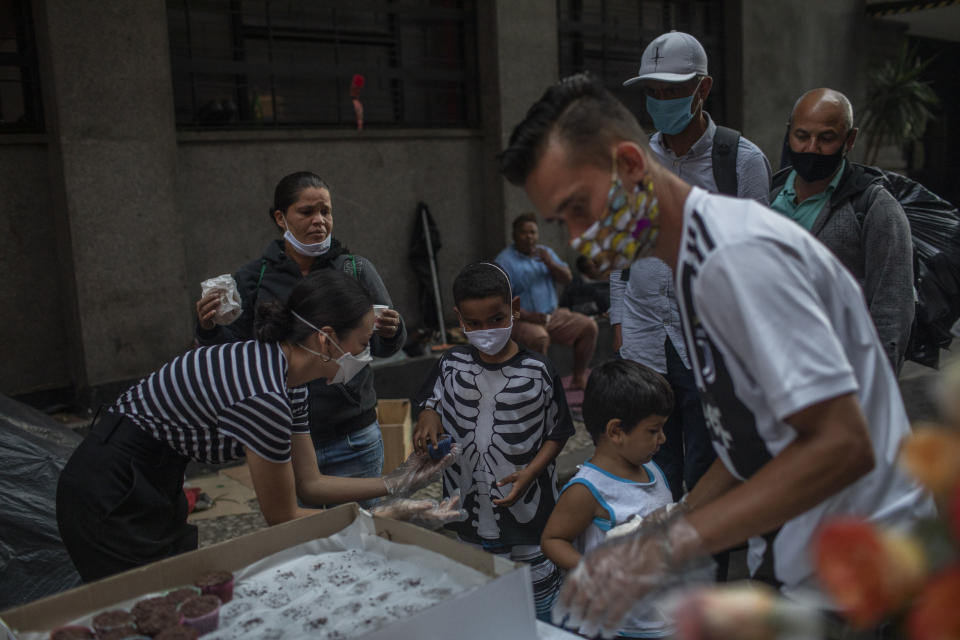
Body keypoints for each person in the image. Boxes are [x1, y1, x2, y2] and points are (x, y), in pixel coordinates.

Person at [499, 73, 933, 638]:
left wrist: (674, 547)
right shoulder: (698, 266)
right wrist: (676, 518)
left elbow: (843, 443)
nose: (579, 238)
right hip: (809, 567)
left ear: (632, 165)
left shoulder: (738, 260)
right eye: (563, 220)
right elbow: (757, 432)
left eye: (579, 207)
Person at [57, 270, 456, 582]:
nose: (365, 354)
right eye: (362, 342)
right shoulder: (264, 394)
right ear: (326, 339)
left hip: (154, 477)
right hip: (109, 489)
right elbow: (281, 517)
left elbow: (310, 484)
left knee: (177, 593)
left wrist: (397, 482)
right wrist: (381, 518)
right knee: (148, 607)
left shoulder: (291, 380)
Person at [612, 29, 772, 505]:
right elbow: (621, 259)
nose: (661, 102)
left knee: (707, 480)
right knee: (649, 475)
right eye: (653, 93)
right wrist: (620, 327)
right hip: (643, 340)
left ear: (703, 88)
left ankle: (709, 573)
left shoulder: (741, 163)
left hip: (708, 350)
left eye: (673, 91)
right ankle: (661, 574)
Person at [196, 172, 406, 497]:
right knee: (304, 536)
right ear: (281, 218)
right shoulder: (255, 277)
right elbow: (233, 352)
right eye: (306, 212)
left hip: (353, 436)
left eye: (326, 211)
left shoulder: (355, 270)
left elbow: (381, 347)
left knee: (364, 531)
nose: (319, 221)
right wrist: (208, 327)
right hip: (284, 440)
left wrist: (392, 331)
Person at [412, 262, 575, 621]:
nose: (486, 331)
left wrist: (531, 472)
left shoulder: (539, 370)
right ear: (459, 318)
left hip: (529, 518)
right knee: (482, 600)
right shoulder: (450, 364)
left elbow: (559, 431)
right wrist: (429, 416)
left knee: (540, 606)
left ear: (515, 308)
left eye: (497, 319)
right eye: (474, 323)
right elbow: (429, 402)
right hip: (466, 513)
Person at [769, 88, 914, 374]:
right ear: (789, 134)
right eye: (801, 136)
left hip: (837, 379)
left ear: (849, 140)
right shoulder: (770, 192)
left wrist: (876, 390)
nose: (811, 148)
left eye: (826, 138)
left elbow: (892, 308)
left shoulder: (873, 207)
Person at [542, 359, 675, 639]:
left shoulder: (652, 469)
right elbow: (553, 540)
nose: (663, 438)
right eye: (654, 430)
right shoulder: (589, 489)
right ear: (616, 431)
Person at [496, 212, 598, 389]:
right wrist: (529, 316)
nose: (529, 237)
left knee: (589, 326)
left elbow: (567, 279)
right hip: (521, 319)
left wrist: (551, 263)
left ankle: (578, 378)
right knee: (540, 338)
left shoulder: (546, 253)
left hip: (552, 315)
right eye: (524, 233)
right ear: (514, 236)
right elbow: (502, 303)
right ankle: (539, 388)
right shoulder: (504, 261)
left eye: (533, 232)